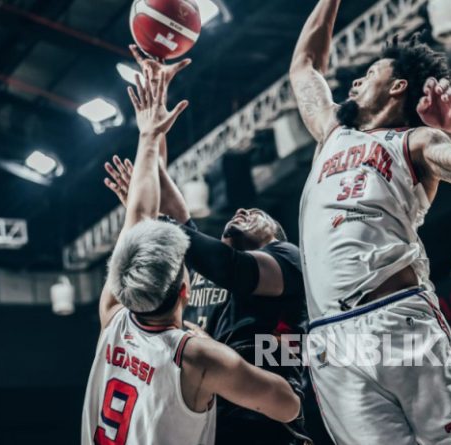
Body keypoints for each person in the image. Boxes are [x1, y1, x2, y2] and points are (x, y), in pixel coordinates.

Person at [290, 0, 451, 444]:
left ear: (397, 87)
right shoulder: (333, 132)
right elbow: (305, 65)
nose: (356, 79)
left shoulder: (415, 141)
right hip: (331, 337)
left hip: (394, 316)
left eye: (370, 73)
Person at [100, 46, 311, 445]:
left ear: (275, 238)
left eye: (259, 216)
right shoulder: (210, 284)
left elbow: (228, 264)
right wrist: (155, 121)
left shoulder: (287, 260)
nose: (244, 209)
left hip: (269, 425)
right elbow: (173, 210)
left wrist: (147, 220)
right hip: (215, 419)